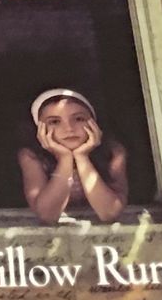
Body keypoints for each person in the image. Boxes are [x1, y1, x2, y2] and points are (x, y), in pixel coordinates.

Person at [16, 88, 129, 225]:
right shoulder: (31, 156)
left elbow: (109, 213)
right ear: (40, 129)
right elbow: (47, 215)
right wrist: (65, 159)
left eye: (78, 119)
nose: (69, 128)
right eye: (54, 122)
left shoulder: (113, 152)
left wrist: (82, 157)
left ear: (93, 123)